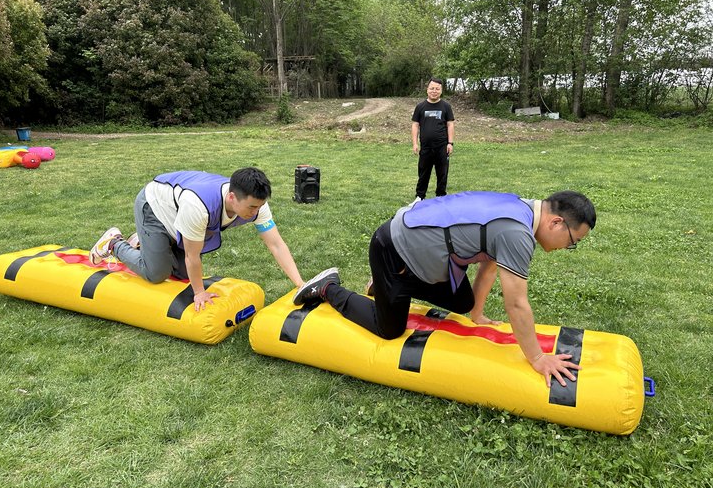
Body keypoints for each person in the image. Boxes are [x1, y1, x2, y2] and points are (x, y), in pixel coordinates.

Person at [293, 190, 596, 388]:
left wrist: (476, 314)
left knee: (463, 301)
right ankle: (328, 288)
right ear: (556, 222)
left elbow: (490, 265)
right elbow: (516, 304)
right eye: (573, 241)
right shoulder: (517, 232)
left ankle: (390, 285)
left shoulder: (522, 208)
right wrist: (539, 359)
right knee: (389, 330)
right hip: (392, 249)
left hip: (417, 248)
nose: (568, 247)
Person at [89, 167, 305, 311]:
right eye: (252, 207)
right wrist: (199, 293)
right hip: (155, 207)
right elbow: (192, 256)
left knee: (183, 276)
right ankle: (114, 243)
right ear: (232, 197)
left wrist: (299, 284)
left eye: (259, 206)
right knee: (157, 273)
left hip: (180, 214)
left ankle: (144, 241)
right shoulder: (199, 207)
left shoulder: (257, 205)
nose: (256, 212)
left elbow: (276, 244)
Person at [411, 77, 455, 201]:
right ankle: (420, 196)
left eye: (437, 89)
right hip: (426, 147)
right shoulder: (420, 107)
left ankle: (441, 197)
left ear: (441, 91)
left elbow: (450, 124)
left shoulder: (446, 106)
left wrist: (450, 143)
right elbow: (415, 125)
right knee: (423, 172)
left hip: (442, 146)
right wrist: (415, 143)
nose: (434, 91)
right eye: (432, 88)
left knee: (442, 173)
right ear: (427, 89)